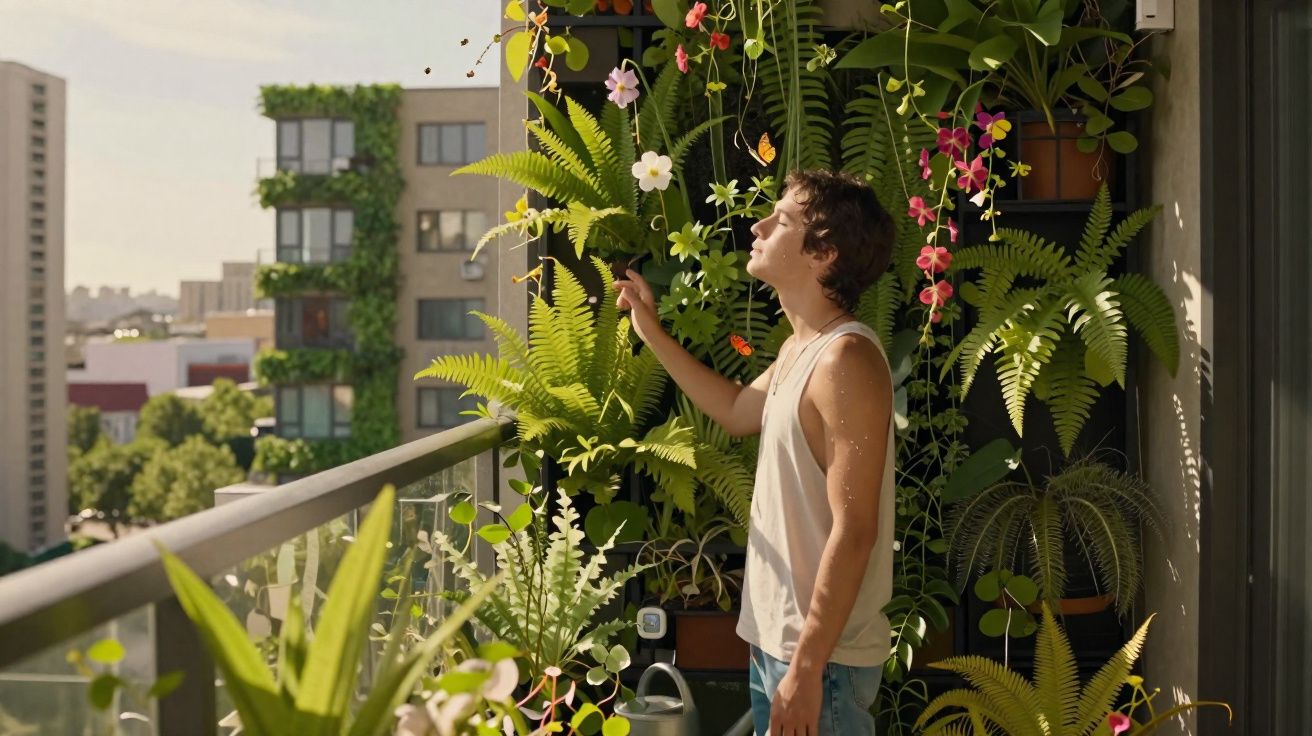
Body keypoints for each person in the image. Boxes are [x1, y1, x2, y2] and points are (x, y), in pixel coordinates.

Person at [614, 169, 897, 736]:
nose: (758, 224)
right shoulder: (802, 348)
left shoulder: (846, 362)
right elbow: (738, 410)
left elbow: (856, 529)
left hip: (822, 659)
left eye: (782, 220)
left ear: (824, 255)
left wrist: (809, 667)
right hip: (779, 643)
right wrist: (649, 330)